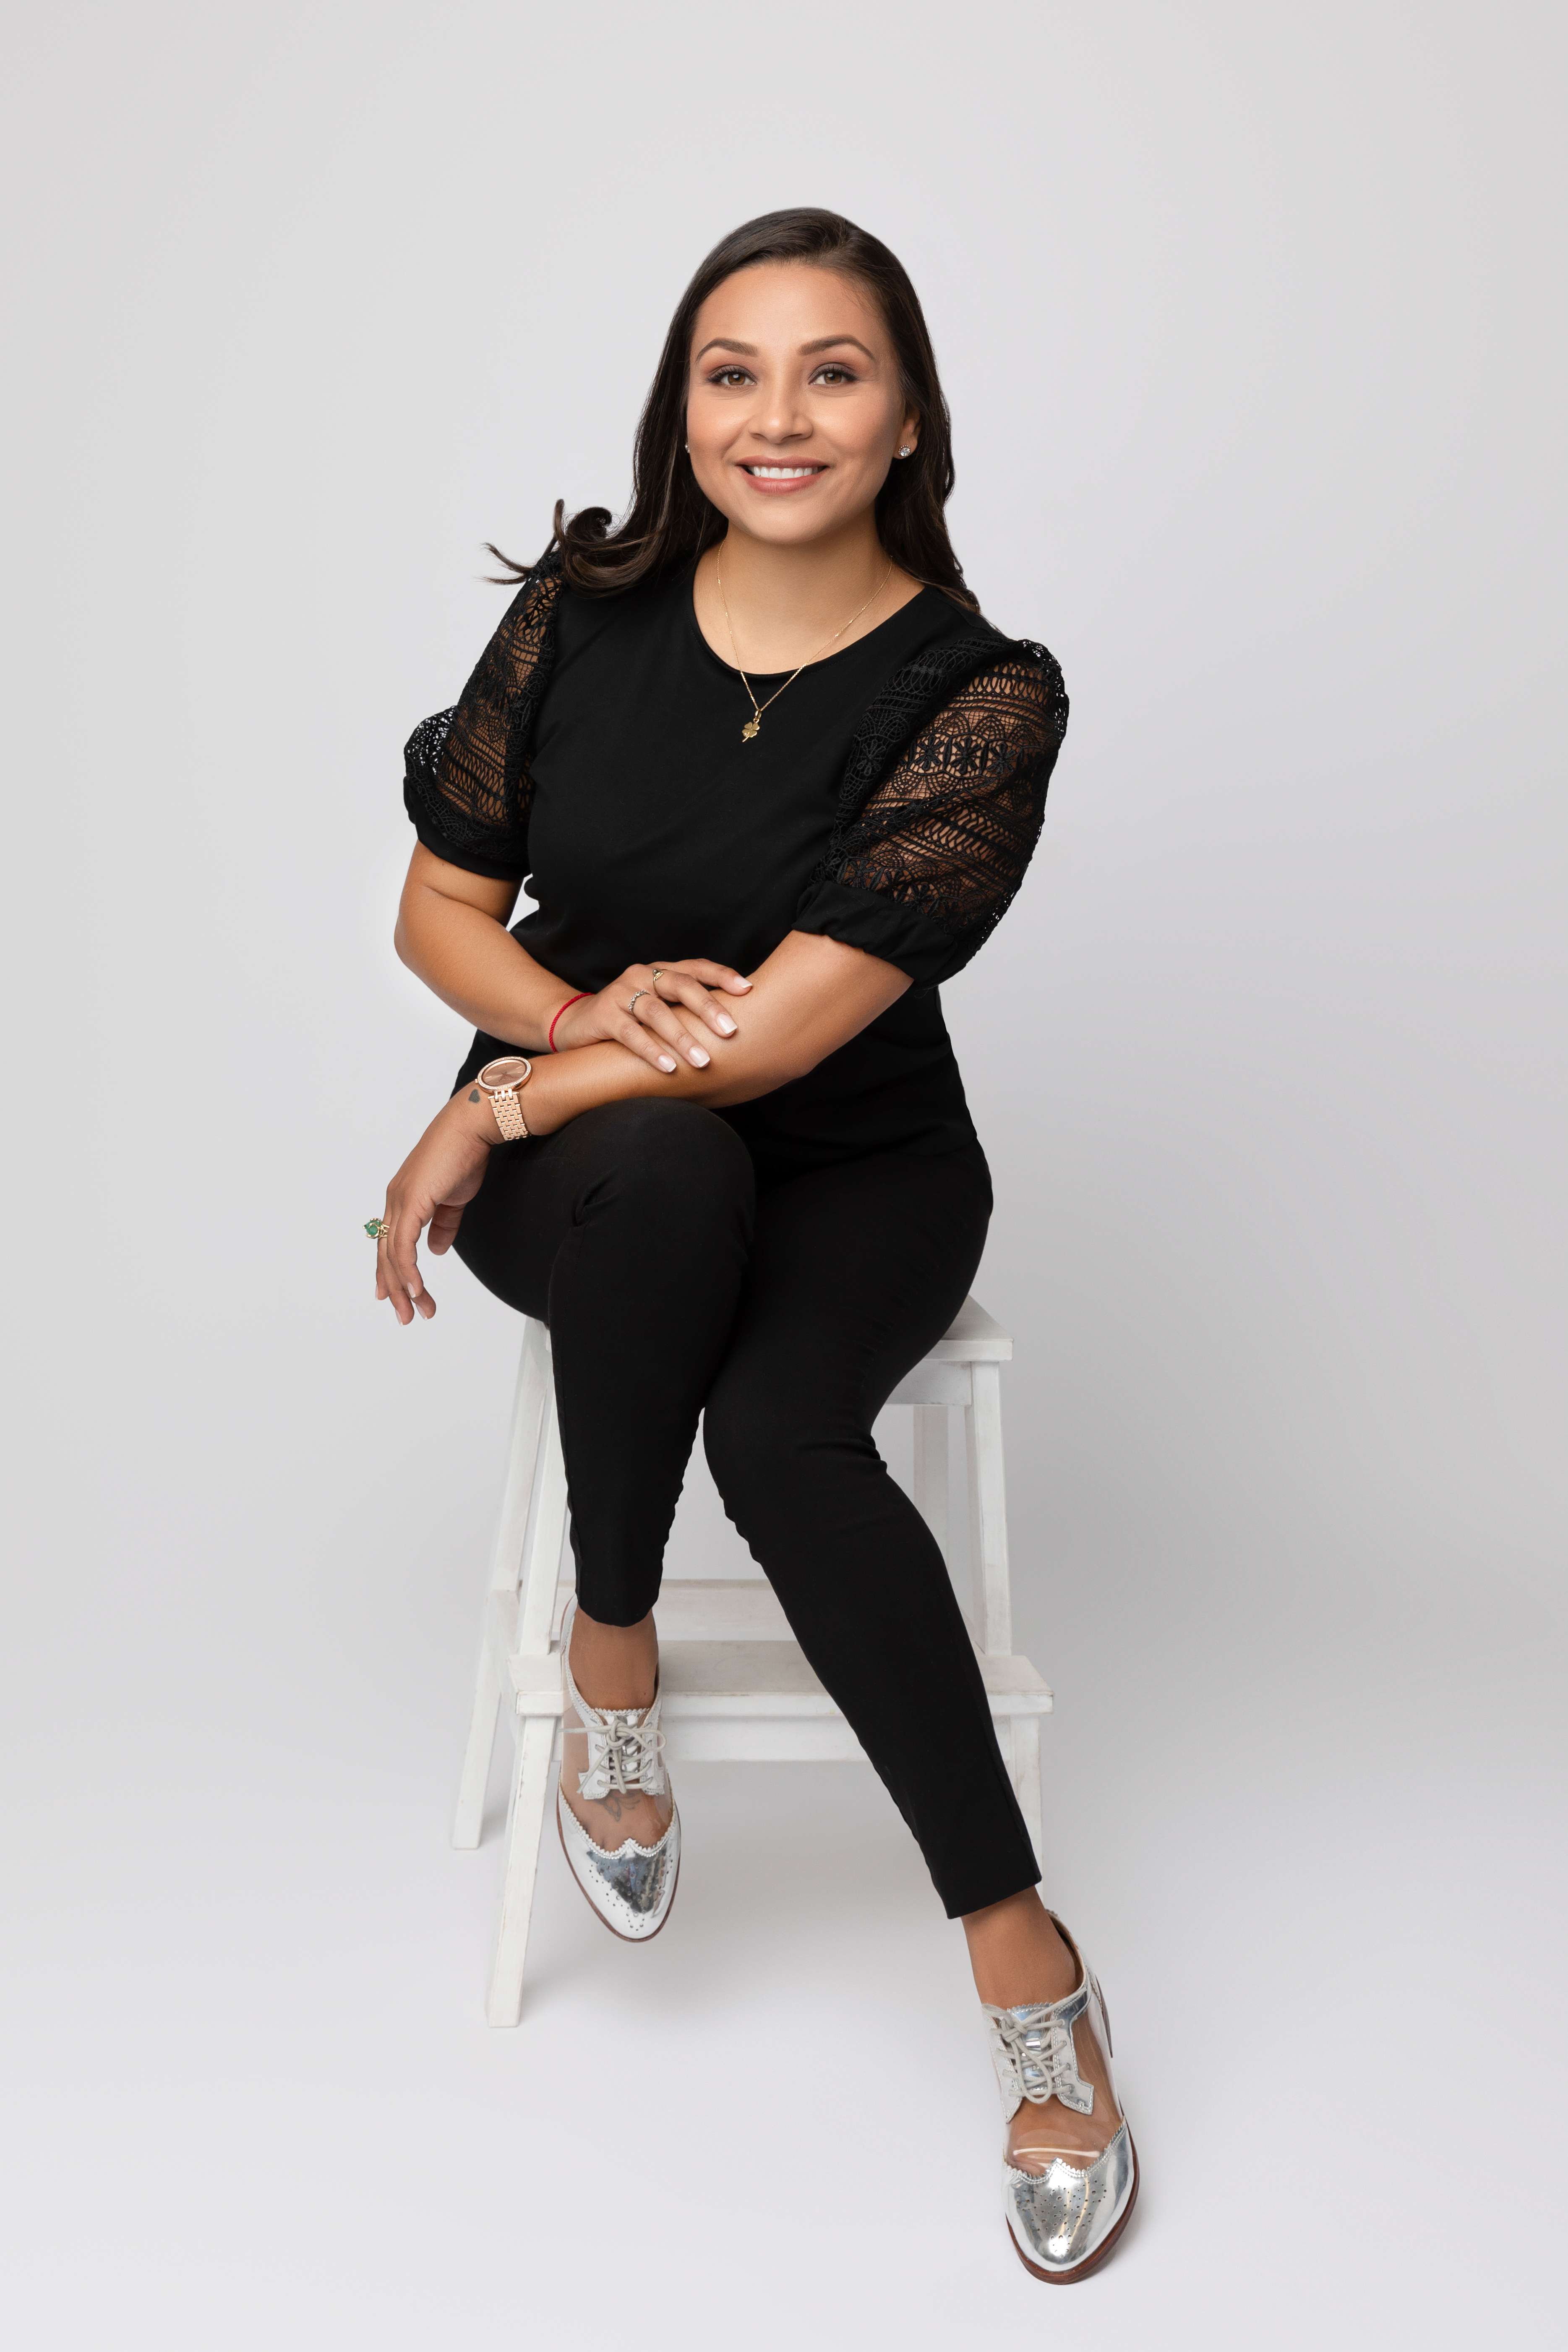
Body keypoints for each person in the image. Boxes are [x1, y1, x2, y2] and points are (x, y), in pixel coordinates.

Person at [372, 208, 1136, 2283]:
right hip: (605, 1159)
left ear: (903, 418)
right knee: (663, 1184)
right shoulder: (581, 614)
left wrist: (485, 1102)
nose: (774, 415)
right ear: (679, 402)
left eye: (829, 371)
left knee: (789, 1433)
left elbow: (784, 1032)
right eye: (732, 370)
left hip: (855, 1155)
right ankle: (605, 1641)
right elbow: (441, 908)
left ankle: (1023, 1956)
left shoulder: (975, 693)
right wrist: (547, 1033)